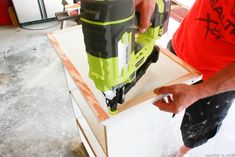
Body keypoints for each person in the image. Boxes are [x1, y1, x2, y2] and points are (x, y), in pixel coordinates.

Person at [135, 0, 235, 156]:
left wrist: (199, 91)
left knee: (197, 128)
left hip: (218, 80)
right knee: (158, 111)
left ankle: (183, 151)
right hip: (179, 49)